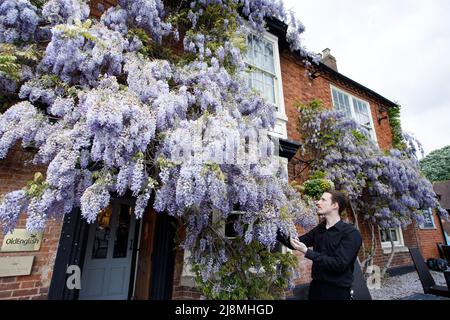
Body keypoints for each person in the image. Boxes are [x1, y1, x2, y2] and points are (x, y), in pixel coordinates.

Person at [277, 190, 362, 300]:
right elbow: (294, 243)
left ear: (335, 205)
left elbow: (339, 264)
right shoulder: (319, 230)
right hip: (315, 288)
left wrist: (307, 252)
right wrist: (274, 226)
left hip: (337, 292)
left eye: (323, 200)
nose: (317, 202)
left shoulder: (351, 233)